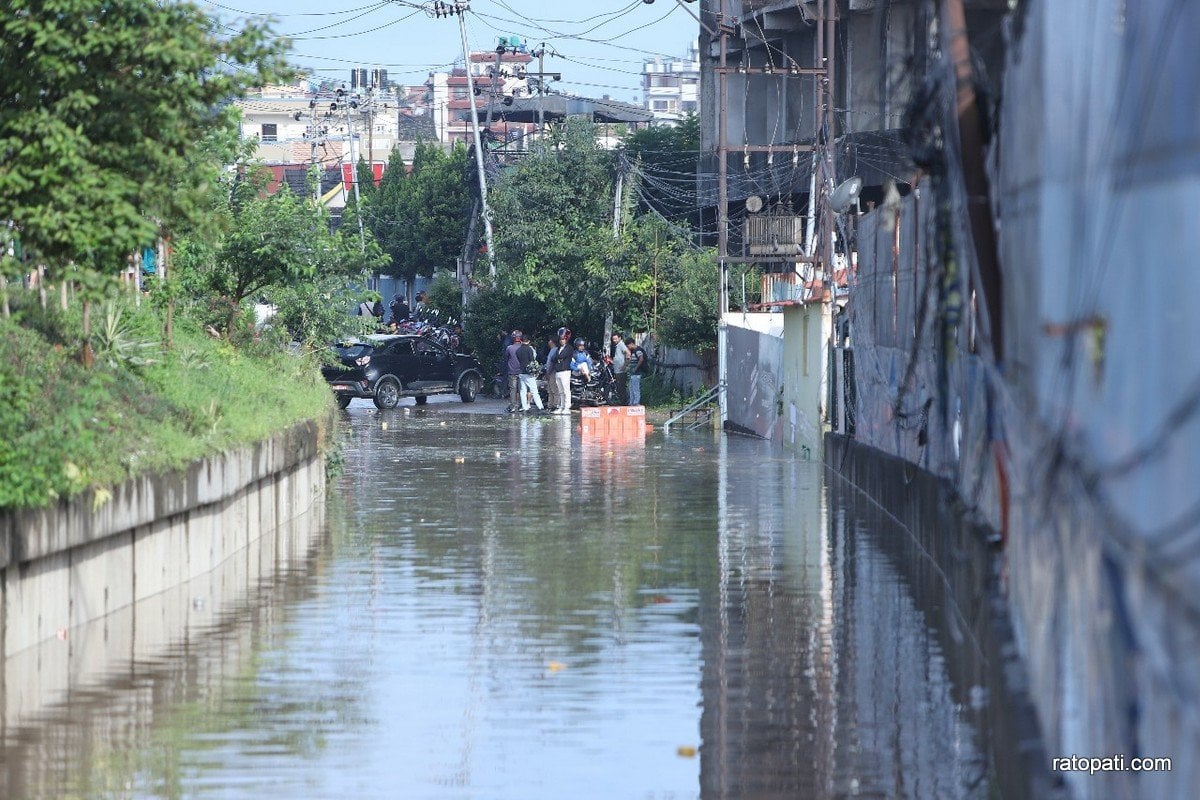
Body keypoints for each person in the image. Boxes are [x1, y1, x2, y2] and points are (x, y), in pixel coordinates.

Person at [516, 334, 544, 412]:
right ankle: (540, 407)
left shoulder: (518, 350)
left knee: (522, 390)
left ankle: (525, 407)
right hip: (529, 373)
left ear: (521, 341)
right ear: (528, 341)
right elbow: (532, 361)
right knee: (534, 391)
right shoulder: (529, 349)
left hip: (521, 372)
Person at [551, 331, 575, 415]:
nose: (562, 341)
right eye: (560, 339)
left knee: (566, 390)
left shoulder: (569, 348)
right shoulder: (558, 348)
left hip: (565, 371)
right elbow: (554, 358)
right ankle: (561, 406)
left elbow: (561, 356)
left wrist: (558, 358)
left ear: (566, 340)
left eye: (563, 339)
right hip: (558, 371)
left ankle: (567, 407)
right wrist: (558, 359)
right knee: (560, 390)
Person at [503, 330, 523, 410]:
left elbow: (506, 358)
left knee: (513, 389)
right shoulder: (523, 347)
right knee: (521, 389)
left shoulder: (509, 348)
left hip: (512, 371)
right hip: (522, 372)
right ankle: (522, 405)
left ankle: (513, 406)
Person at [609, 332, 629, 403]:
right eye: (613, 339)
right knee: (619, 387)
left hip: (621, 371)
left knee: (621, 387)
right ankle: (622, 401)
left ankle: (624, 402)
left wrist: (625, 365)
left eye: (616, 339)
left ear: (620, 338)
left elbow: (628, 353)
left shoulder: (621, 344)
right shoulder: (617, 346)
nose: (614, 340)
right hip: (617, 370)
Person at [626, 337, 647, 406]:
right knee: (631, 388)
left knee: (635, 388)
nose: (628, 347)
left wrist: (635, 368)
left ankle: (636, 402)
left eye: (628, 346)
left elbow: (641, 359)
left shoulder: (637, 350)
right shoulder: (633, 351)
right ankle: (631, 402)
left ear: (631, 344)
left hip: (636, 373)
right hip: (633, 373)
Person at [544, 336, 560, 411]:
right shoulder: (552, 350)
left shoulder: (555, 350)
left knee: (554, 390)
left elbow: (552, 363)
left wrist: (548, 372)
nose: (548, 342)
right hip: (550, 372)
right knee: (550, 390)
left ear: (552, 342)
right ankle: (550, 405)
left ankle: (556, 405)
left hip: (552, 372)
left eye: (549, 341)